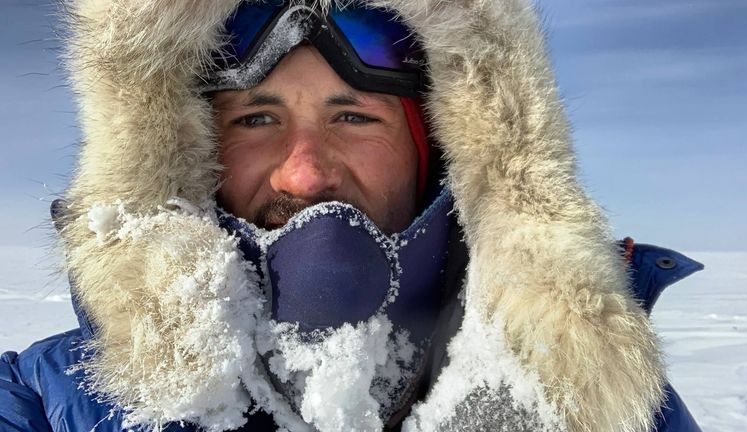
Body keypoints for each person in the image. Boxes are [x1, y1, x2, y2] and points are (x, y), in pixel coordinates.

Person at [0, 1, 703, 431]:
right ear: (183, 154)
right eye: (256, 117)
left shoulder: (599, 406)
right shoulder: (55, 398)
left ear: (441, 152)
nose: (305, 171)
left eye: (354, 116)